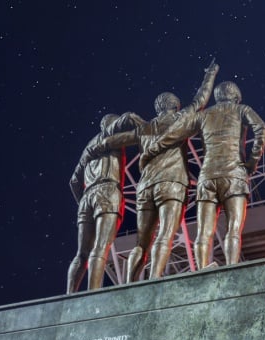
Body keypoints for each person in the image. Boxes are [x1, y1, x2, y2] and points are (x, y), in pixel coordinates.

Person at [90, 61, 219, 281]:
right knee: (166, 234)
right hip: (171, 183)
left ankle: (129, 284)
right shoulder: (180, 118)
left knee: (142, 242)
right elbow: (201, 99)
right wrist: (210, 74)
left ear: (158, 108)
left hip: (145, 187)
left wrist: (97, 146)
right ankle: (154, 280)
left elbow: (114, 140)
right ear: (175, 106)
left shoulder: (144, 128)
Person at [140, 79, 265, 269]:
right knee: (233, 229)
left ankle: (202, 271)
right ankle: (232, 268)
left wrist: (151, 150)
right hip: (234, 175)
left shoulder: (203, 115)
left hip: (207, 177)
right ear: (236, 97)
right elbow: (262, 129)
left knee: (204, 233)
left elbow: (175, 133)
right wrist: (252, 161)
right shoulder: (242, 110)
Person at [66, 112, 143, 293]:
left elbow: (74, 181)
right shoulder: (109, 134)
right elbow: (128, 117)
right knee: (101, 247)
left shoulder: (87, 148)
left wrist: (83, 204)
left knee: (81, 253)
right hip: (107, 190)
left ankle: (70, 295)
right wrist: (150, 127)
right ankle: (93, 293)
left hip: (86, 197)